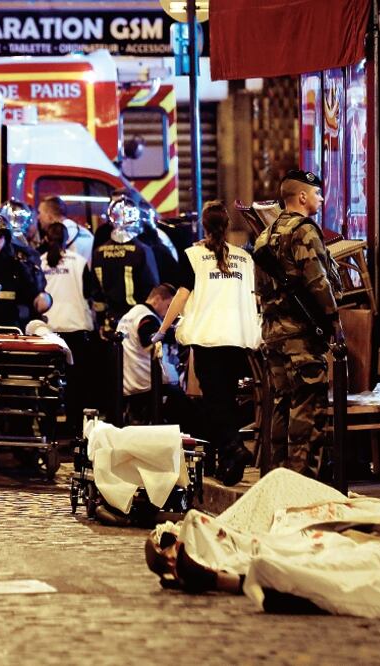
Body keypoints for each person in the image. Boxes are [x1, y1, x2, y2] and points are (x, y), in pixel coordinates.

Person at [156, 201, 262, 485]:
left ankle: (233, 449)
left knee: (214, 401)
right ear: (227, 226)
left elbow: (180, 295)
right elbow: (253, 297)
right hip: (237, 338)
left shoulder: (193, 256)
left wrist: (162, 329)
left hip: (207, 337)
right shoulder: (243, 258)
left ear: (204, 226)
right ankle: (226, 461)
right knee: (226, 398)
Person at [253, 170, 343, 479]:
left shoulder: (266, 234)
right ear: (302, 197)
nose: (321, 198)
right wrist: (334, 323)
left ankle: (277, 480)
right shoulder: (303, 231)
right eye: (317, 193)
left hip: (274, 335)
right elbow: (318, 281)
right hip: (301, 337)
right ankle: (302, 485)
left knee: (283, 405)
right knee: (308, 411)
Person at [41, 220, 96, 436]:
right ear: (68, 240)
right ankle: (74, 431)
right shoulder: (79, 261)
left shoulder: (41, 261)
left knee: (48, 384)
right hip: (76, 329)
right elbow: (89, 295)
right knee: (76, 385)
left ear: (46, 239)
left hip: (49, 331)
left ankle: (49, 430)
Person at [117, 282, 190, 428]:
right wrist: (180, 330)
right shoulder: (146, 317)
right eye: (169, 306)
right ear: (157, 299)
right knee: (188, 407)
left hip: (129, 383)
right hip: (147, 385)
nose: (171, 312)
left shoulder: (130, 314)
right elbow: (150, 339)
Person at [91, 192, 159, 322]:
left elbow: (95, 291)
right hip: (137, 317)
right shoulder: (142, 250)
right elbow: (152, 287)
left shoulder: (99, 252)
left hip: (110, 318)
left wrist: (102, 320)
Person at [37, 195, 93, 266]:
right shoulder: (82, 231)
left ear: (49, 216)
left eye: (39, 213)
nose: (38, 217)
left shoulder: (60, 236)